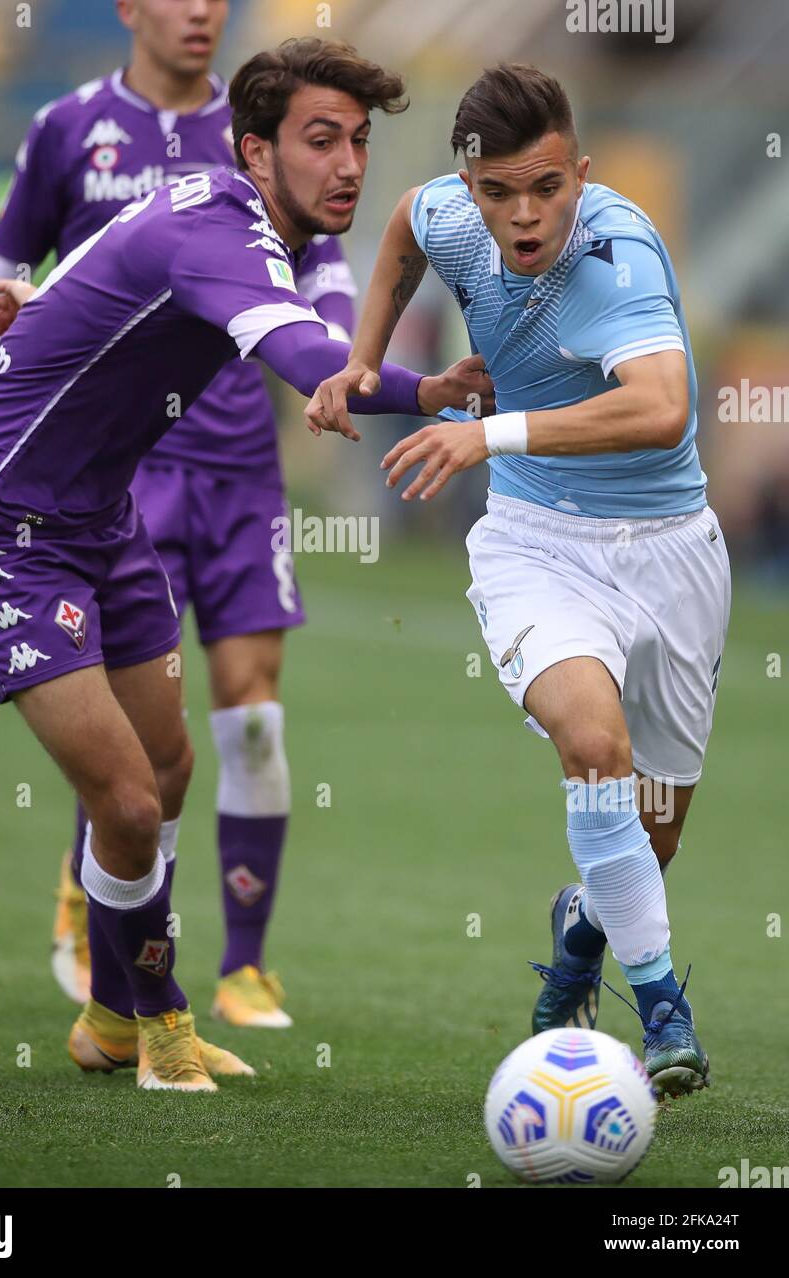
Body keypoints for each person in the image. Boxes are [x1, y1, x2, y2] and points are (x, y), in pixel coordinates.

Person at [0, 37, 486, 1092]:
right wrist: (411, 390)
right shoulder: (216, 231)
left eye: (360, 140)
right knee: (130, 803)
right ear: (255, 150)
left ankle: (106, 1019)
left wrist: (422, 388)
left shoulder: (244, 221)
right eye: (322, 139)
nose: (351, 164)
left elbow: (285, 333)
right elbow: (307, 358)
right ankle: (163, 1020)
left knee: (170, 768)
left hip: (100, 519)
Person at [0, 0, 358, 1029]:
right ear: (130, 6)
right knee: (127, 758)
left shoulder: (272, 130)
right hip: (108, 464)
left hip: (235, 452)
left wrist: (341, 364)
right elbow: (5, 274)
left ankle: (239, 963)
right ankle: (113, 923)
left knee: (244, 718)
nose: (201, 10)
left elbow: (323, 276)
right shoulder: (68, 129)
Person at [305, 63, 730, 1100]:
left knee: (651, 830)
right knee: (592, 747)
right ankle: (663, 1009)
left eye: (547, 186)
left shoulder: (613, 253)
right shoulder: (451, 212)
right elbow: (401, 229)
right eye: (500, 192)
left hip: (672, 550)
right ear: (473, 183)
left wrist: (484, 432)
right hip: (536, 541)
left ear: (580, 172)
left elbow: (662, 408)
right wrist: (364, 359)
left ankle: (584, 927)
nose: (525, 213)